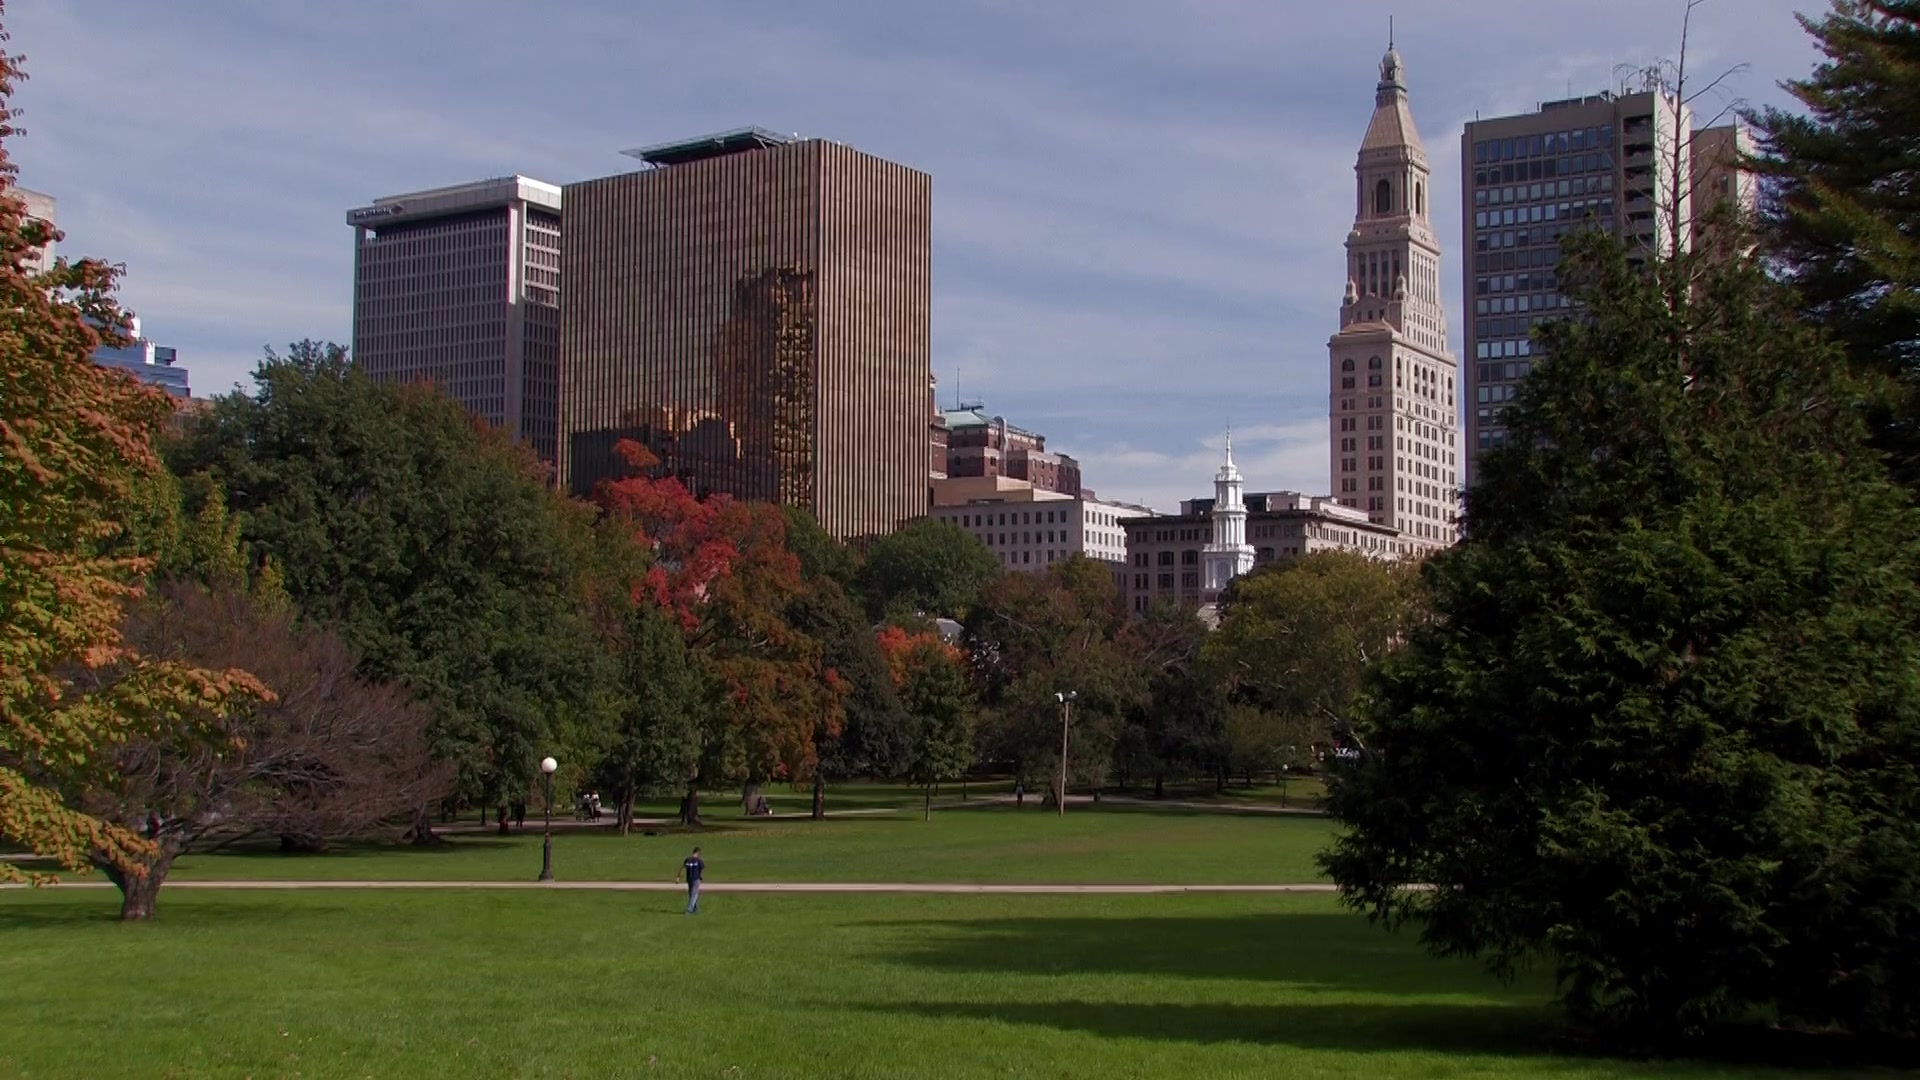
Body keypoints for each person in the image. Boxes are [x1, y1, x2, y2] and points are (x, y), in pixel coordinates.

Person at [676, 846, 704, 915]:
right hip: (696, 879)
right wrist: (700, 876)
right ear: (698, 853)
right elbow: (702, 870)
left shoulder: (688, 860)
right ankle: (689, 910)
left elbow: (683, 868)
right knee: (694, 895)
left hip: (689, 879)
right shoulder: (699, 861)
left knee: (692, 894)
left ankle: (696, 909)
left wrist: (678, 877)